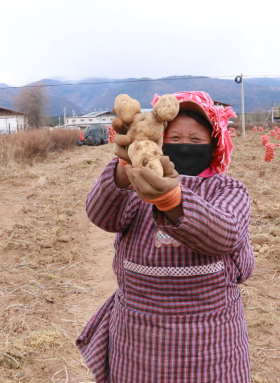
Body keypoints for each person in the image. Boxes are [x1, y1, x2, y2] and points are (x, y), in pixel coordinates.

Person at [76, 91, 254, 382]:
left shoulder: (228, 189)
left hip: (212, 339)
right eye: (175, 139)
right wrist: (123, 171)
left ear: (213, 145)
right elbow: (101, 216)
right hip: (138, 337)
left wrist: (173, 200)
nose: (185, 147)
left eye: (196, 140)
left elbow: (227, 232)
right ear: (158, 141)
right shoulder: (136, 182)